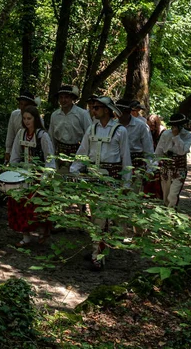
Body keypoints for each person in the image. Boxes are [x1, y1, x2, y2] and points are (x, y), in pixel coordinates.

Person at [70, 96, 131, 270]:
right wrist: (75, 169)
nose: (93, 110)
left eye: (97, 108)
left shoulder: (120, 131)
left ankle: (97, 256)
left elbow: (126, 158)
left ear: (106, 110)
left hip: (110, 180)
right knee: (95, 217)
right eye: (93, 107)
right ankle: (99, 250)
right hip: (92, 179)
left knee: (102, 219)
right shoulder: (91, 129)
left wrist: (126, 183)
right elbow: (83, 152)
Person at [8, 106, 54, 247]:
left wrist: (46, 177)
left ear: (36, 119)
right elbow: (15, 156)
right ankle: (25, 236)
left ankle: (42, 233)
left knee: (39, 207)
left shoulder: (43, 136)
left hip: (39, 176)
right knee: (20, 205)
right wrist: (13, 173)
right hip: (23, 176)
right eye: (24, 118)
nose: (26, 121)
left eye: (30, 118)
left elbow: (49, 159)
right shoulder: (20, 134)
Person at [48, 85, 92, 172]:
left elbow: (90, 134)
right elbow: (51, 137)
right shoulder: (55, 115)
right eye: (61, 97)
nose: (63, 100)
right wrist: (51, 157)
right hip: (59, 152)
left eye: (66, 97)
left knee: (74, 178)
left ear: (72, 98)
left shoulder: (82, 114)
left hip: (77, 152)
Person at [154, 113, 191, 208]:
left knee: (173, 195)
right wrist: (153, 166)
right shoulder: (166, 134)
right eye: (174, 125)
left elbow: (182, 151)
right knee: (165, 195)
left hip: (179, 168)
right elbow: (159, 150)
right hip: (166, 168)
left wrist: (176, 137)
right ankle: (165, 215)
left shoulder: (187, 135)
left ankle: (172, 214)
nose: (175, 128)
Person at [115, 99, 154, 191]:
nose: (117, 114)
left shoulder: (141, 126)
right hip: (117, 166)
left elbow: (148, 149)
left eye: (120, 111)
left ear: (127, 111)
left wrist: (150, 169)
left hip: (135, 166)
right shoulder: (113, 125)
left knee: (132, 195)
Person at [5, 90, 43, 164]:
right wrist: (8, 151)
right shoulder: (14, 115)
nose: (22, 107)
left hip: (33, 154)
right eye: (21, 104)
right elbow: (10, 134)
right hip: (15, 151)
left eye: (26, 105)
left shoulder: (39, 120)